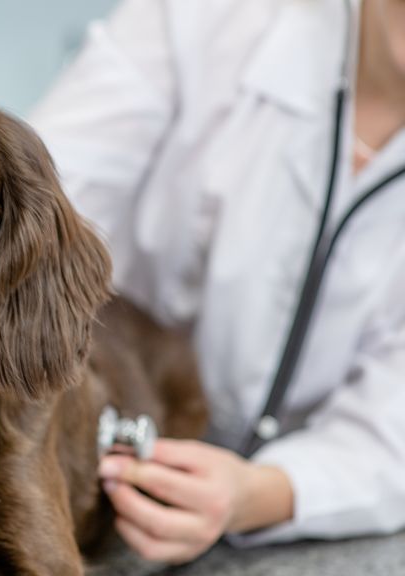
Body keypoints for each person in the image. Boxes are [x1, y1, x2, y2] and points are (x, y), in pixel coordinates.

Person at [30, 0, 405, 564]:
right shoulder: (200, 20)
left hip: (292, 496)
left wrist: (260, 492)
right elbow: (32, 212)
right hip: (98, 419)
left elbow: (390, 439)